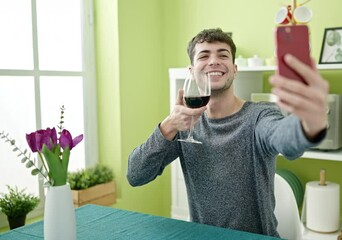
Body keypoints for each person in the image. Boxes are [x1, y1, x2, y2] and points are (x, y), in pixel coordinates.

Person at [127, 28, 329, 238]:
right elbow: (135, 175)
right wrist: (168, 126)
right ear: (191, 70)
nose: (214, 61)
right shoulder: (183, 124)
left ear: (234, 69)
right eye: (204, 55)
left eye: (222, 55)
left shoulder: (259, 116)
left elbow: (284, 139)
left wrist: (308, 125)